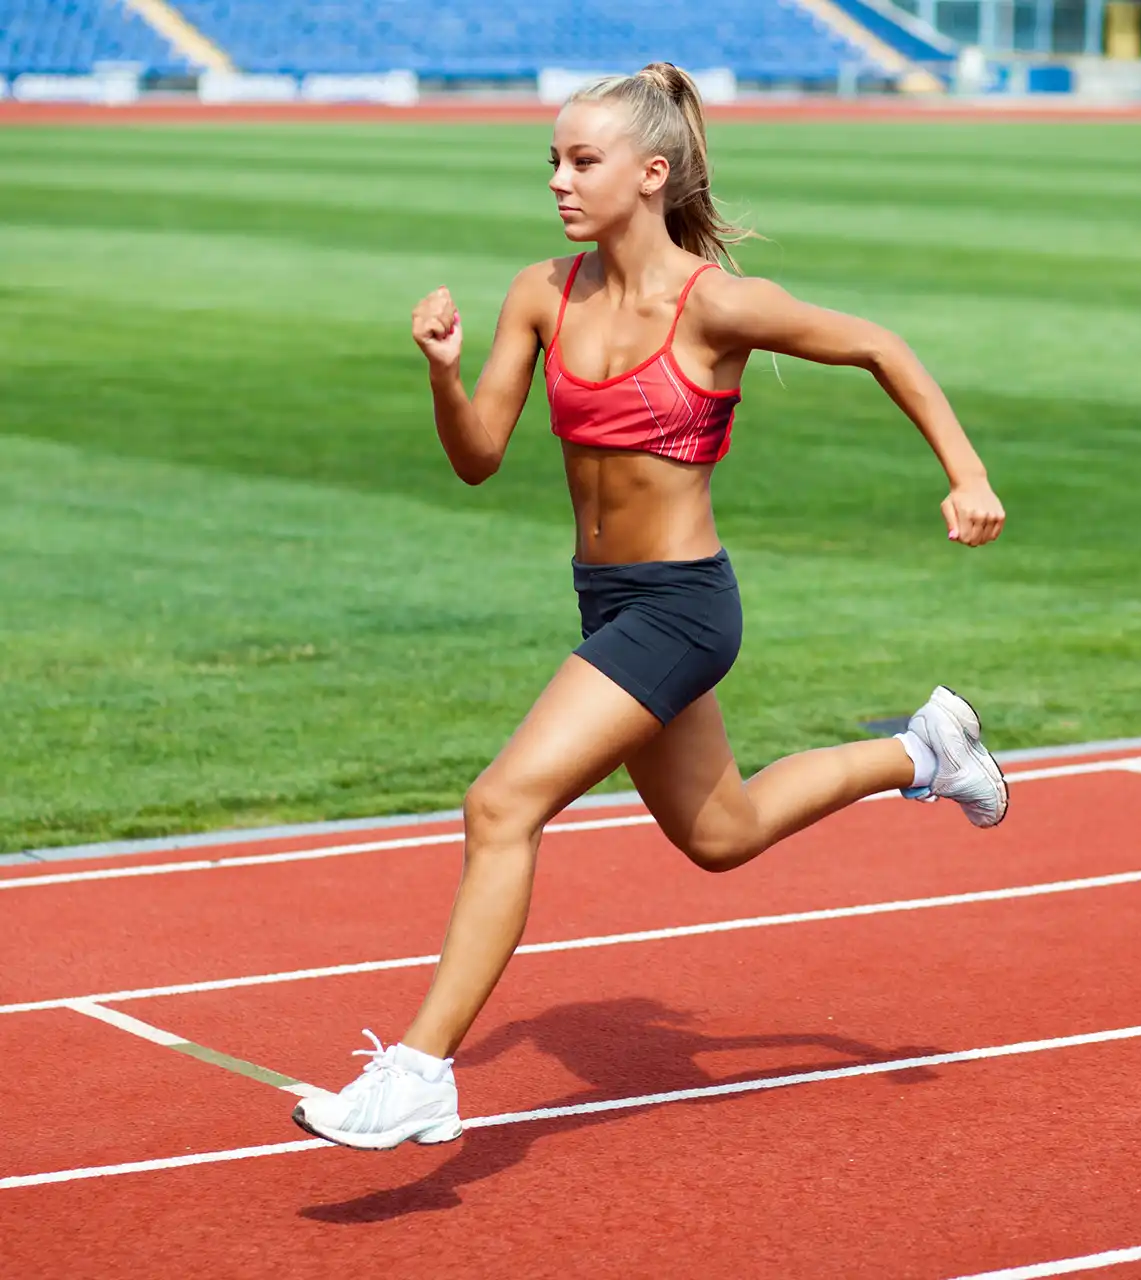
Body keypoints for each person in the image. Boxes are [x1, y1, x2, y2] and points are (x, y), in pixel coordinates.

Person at [292, 62, 1007, 1151]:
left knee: (500, 805)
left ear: (650, 173)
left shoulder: (714, 303)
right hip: (606, 602)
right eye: (552, 161)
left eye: (581, 161)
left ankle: (421, 1069)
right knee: (723, 833)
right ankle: (923, 751)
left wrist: (965, 474)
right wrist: (442, 371)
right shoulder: (541, 291)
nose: (557, 181)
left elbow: (877, 344)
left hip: (680, 608)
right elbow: (479, 457)